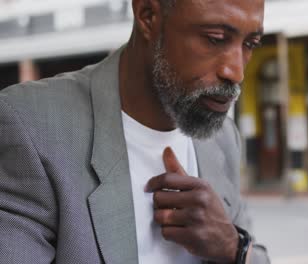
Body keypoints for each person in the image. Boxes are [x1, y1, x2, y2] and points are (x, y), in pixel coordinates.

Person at [0, 0, 270, 263]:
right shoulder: (31, 126)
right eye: (215, 38)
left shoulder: (223, 138)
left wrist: (232, 246)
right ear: (148, 15)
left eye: (250, 44)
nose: (236, 72)